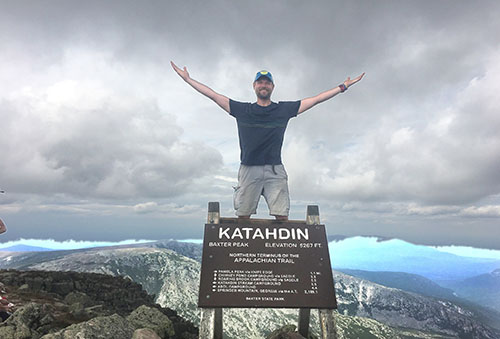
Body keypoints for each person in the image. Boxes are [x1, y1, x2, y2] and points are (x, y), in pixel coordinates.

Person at [171, 61, 364, 220]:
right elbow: (213, 95)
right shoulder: (242, 110)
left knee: (282, 216)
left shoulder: (283, 110)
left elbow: (316, 99)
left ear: (272, 87)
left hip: (275, 169)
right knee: (243, 216)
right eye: (260, 82)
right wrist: (188, 80)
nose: (263, 85)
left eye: (267, 82)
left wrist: (343, 87)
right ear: (254, 86)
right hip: (248, 169)